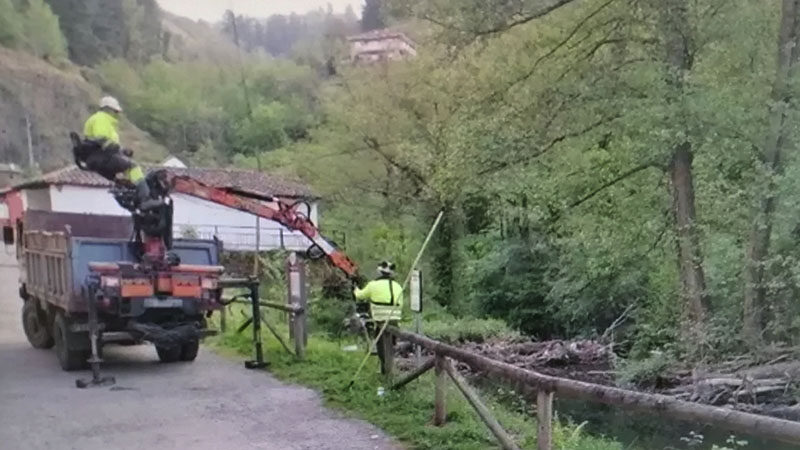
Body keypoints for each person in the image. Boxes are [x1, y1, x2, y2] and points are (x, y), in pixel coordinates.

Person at [81, 96, 151, 206]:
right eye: (115, 111)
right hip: (102, 156)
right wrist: (119, 150)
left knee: (122, 172)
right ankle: (145, 197)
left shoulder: (95, 119)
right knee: (132, 166)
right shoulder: (101, 119)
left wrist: (121, 151)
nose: (117, 114)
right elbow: (102, 139)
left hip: (95, 157)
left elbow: (100, 141)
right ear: (108, 109)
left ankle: (127, 191)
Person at [354, 261, 403, 374]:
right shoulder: (398, 286)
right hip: (394, 319)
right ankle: (388, 368)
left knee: (381, 345)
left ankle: (385, 370)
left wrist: (355, 289)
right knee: (391, 345)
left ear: (379, 272)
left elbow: (360, 296)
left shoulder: (373, 285)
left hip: (381, 319)